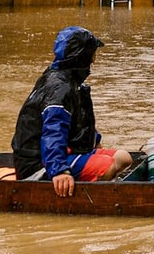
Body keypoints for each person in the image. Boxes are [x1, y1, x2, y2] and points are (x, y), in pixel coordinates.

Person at [12, 26, 132, 195]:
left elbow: (81, 119)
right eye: (92, 54)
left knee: (123, 158)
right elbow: (53, 130)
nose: (94, 60)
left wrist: (94, 143)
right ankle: (91, 197)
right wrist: (59, 171)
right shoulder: (60, 88)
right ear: (83, 56)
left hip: (64, 151)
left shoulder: (72, 82)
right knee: (109, 165)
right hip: (39, 163)